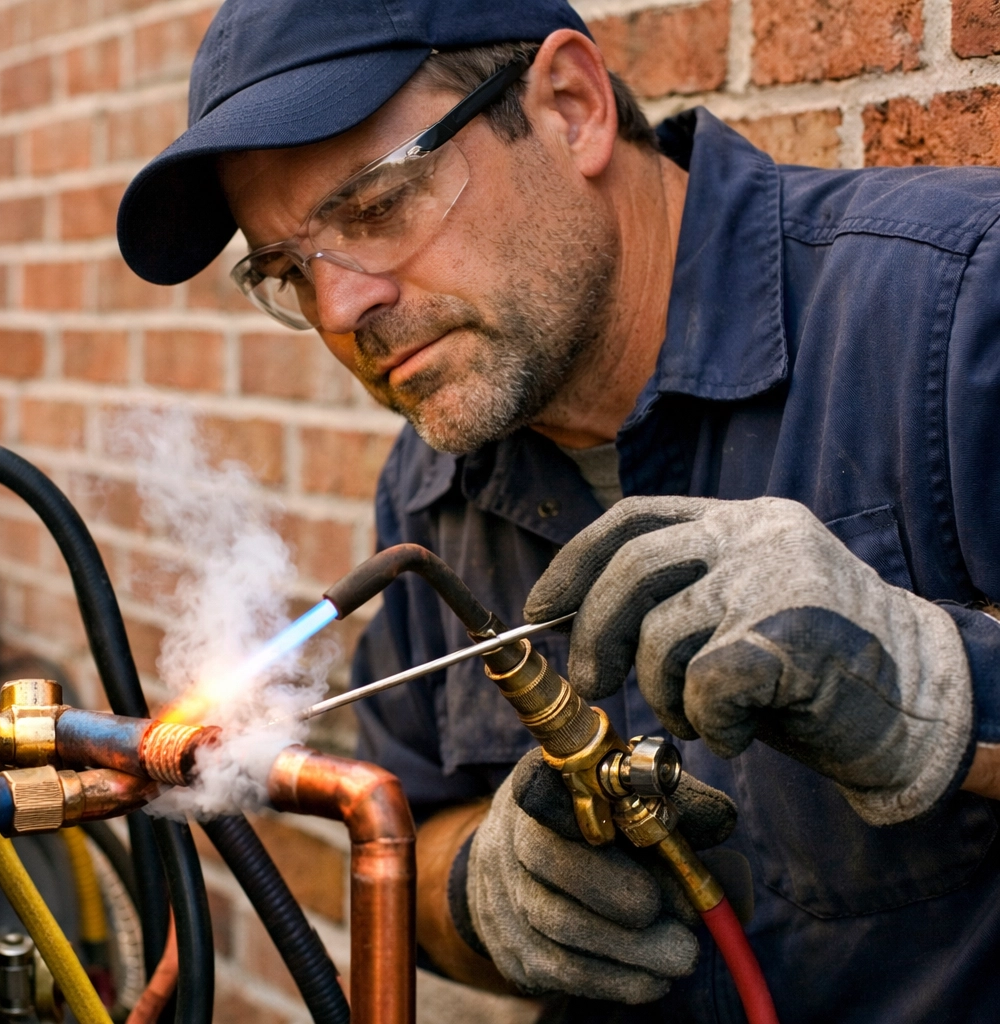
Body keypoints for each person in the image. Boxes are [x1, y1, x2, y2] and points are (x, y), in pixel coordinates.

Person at [114, 0, 1000, 1019]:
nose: (340, 309)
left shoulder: (956, 310)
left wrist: (942, 689)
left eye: (372, 207)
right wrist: (481, 896)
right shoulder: (435, 487)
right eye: (287, 270)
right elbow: (412, 823)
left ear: (571, 108)